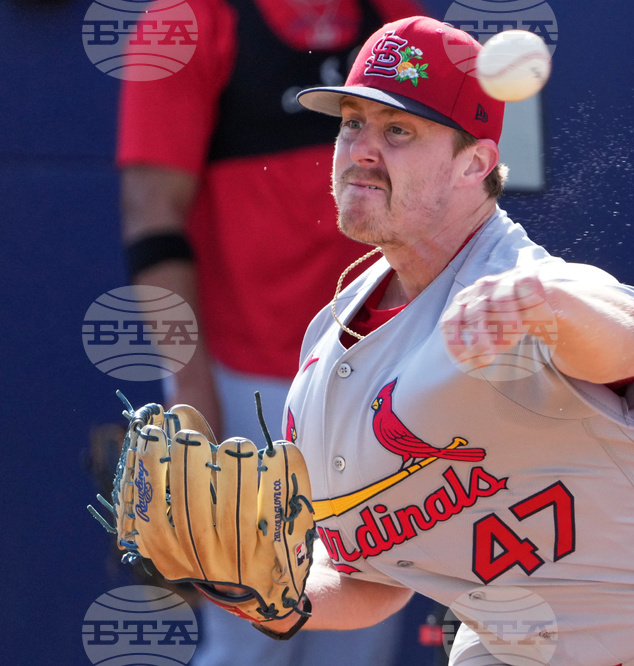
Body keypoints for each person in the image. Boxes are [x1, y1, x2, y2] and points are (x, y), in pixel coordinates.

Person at [223, 16, 634, 666]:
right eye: (352, 123)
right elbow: (371, 579)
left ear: (474, 164)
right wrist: (271, 592)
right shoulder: (327, 353)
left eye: (398, 130)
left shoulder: (524, 284)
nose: (362, 149)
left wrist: (549, 310)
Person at [116, 0, 423, 662]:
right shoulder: (187, 23)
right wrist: (190, 397)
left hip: (378, 385)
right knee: (254, 640)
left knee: (360, 644)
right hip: (249, 391)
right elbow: (151, 215)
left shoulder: (394, 18)